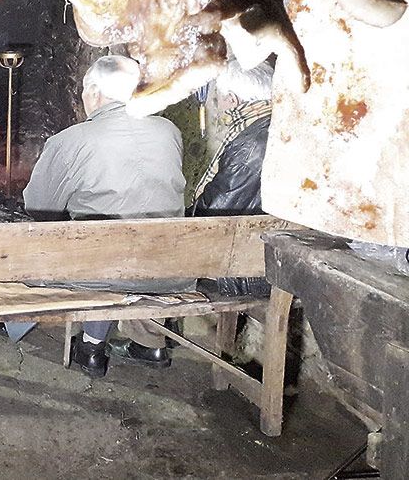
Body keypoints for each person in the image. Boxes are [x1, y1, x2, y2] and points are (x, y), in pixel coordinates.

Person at [22, 55, 188, 378]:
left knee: (80, 252)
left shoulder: (71, 141)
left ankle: (90, 346)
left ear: (95, 92)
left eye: (85, 90)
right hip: (170, 269)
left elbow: (38, 207)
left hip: (101, 272)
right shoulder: (170, 132)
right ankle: (149, 343)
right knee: (130, 237)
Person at [191, 58, 274, 296]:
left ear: (233, 100)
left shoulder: (249, 145)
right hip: (275, 254)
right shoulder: (280, 127)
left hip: (246, 268)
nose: (219, 105)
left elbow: (214, 211)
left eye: (218, 98)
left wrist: (187, 212)